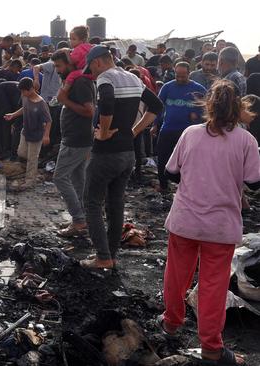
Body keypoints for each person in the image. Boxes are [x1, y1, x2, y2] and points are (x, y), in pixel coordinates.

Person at [159, 80, 259, 366]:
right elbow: (254, 182)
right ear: (239, 108)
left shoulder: (191, 134)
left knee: (177, 276)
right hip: (220, 227)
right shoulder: (246, 140)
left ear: (208, 106)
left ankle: (171, 324)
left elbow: (171, 173)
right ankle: (212, 348)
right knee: (213, 286)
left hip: (185, 221)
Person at [80, 45, 163, 269]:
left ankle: (102, 257)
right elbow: (156, 105)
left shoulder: (106, 77)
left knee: (92, 203)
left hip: (106, 154)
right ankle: (111, 255)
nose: (93, 74)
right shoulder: (133, 78)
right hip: (128, 153)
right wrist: (135, 131)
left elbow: (106, 101)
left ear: (98, 62)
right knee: (116, 205)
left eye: (92, 69)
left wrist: (105, 131)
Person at [46, 50, 96, 237]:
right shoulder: (78, 81)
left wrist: (65, 100)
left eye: (59, 66)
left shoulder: (81, 82)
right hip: (78, 138)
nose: (58, 70)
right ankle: (84, 216)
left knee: (60, 178)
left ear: (70, 64)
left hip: (76, 139)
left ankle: (78, 220)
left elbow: (89, 111)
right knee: (78, 179)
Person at [154, 62, 207, 193]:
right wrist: (155, 124)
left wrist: (198, 114)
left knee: (187, 161)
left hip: (189, 132)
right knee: (162, 157)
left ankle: (185, 187)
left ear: (189, 74)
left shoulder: (198, 89)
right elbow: (158, 107)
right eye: (178, 75)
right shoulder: (167, 87)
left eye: (183, 76)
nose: (180, 78)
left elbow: (207, 107)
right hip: (168, 129)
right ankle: (163, 185)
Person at [4, 78, 52, 189]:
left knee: (32, 159)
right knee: (21, 153)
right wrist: (13, 115)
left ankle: (30, 181)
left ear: (30, 89)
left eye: (23, 91)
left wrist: (46, 135)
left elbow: (49, 120)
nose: (22, 94)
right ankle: (33, 166)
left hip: (36, 135)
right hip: (25, 132)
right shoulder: (25, 97)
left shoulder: (41, 104)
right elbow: (24, 108)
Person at [0, 79, 21, 159]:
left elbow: (7, 107)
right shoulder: (1, 90)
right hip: (6, 109)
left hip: (7, 109)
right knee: (3, 128)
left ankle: (4, 152)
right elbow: (7, 108)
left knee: (3, 128)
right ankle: (3, 152)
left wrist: (11, 117)